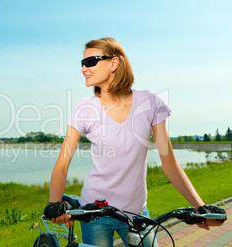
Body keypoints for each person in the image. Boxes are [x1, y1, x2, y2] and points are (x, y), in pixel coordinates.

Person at [44, 37, 226, 247]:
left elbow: (170, 164)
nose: (84, 68)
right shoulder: (84, 108)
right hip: (93, 213)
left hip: (137, 214)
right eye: (82, 63)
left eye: (91, 61)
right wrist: (54, 204)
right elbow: (62, 165)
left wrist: (200, 207)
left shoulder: (150, 102)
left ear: (114, 63)